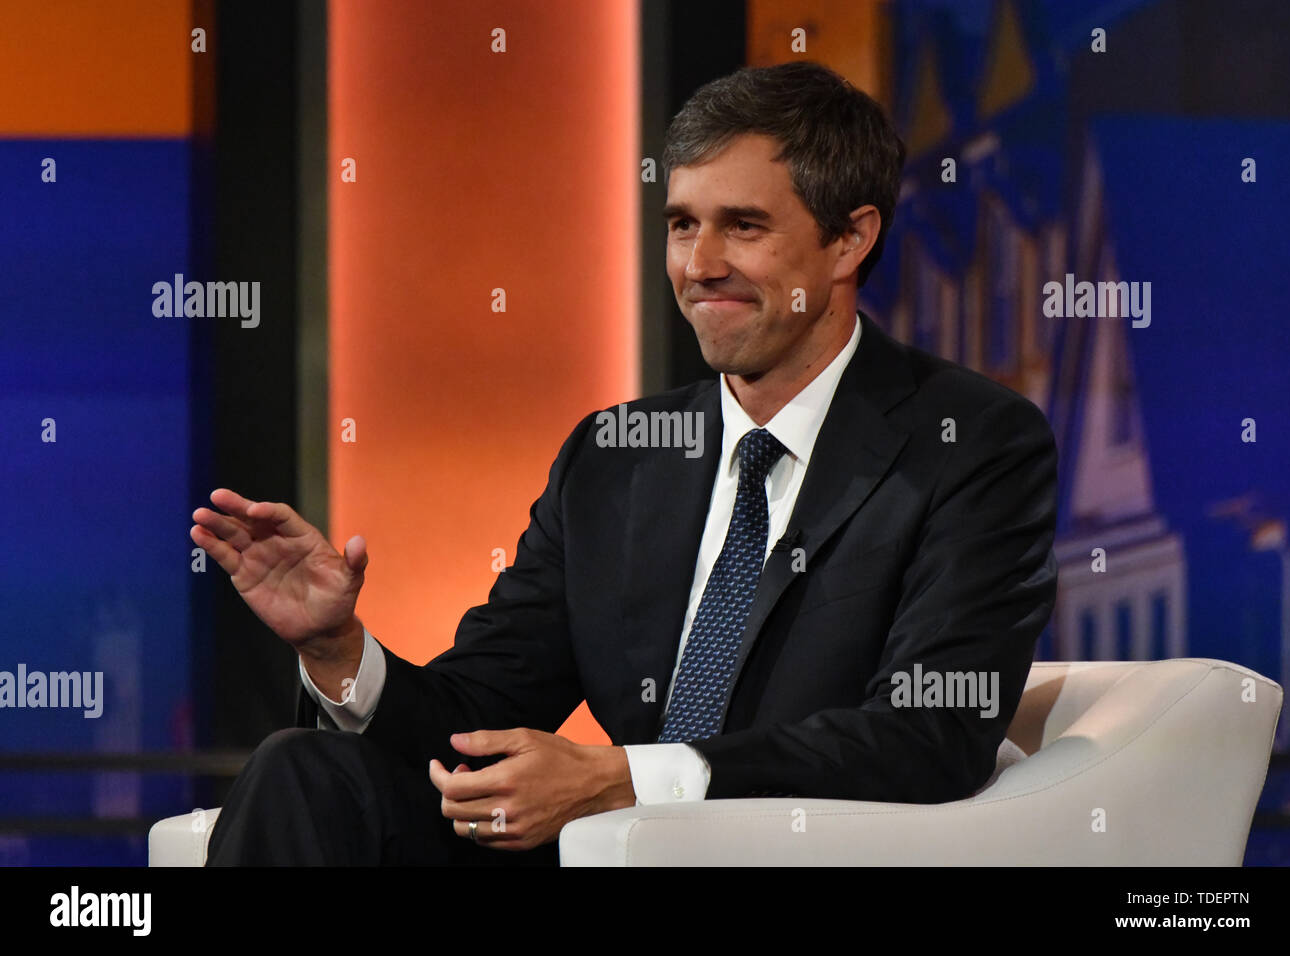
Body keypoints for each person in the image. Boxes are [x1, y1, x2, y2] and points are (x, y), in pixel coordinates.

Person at [193, 61, 1058, 866]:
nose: (700, 266)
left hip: (787, 852)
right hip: (601, 853)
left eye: (744, 227)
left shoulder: (971, 443)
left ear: (849, 241)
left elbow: (930, 733)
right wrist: (340, 650)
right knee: (301, 769)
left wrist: (630, 780)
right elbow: (479, 719)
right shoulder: (617, 457)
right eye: (683, 225)